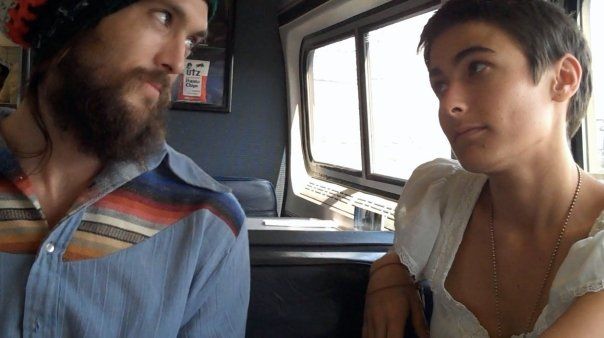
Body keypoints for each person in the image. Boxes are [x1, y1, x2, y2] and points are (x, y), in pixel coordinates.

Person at [0, 0, 250, 337]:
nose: (177, 62)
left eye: (191, 41)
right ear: (74, 23)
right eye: (164, 17)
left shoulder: (208, 219)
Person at [363, 0, 604, 337]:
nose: (449, 105)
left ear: (563, 79)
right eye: (440, 85)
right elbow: (400, 256)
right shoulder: (444, 199)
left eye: (477, 68)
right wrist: (389, 274)